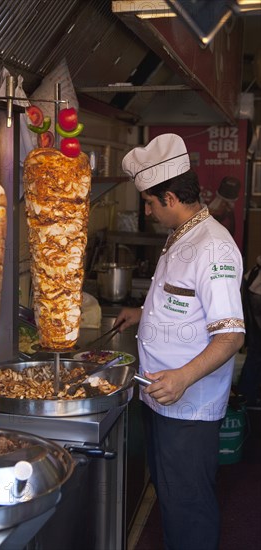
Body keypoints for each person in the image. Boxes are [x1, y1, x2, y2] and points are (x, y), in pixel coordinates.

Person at [115, 134, 245, 550]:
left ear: (170, 197)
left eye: (151, 204)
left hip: (187, 406)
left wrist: (183, 377)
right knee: (171, 496)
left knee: (188, 502)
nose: (149, 212)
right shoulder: (181, 234)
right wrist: (143, 314)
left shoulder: (214, 247)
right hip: (162, 396)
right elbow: (182, 300)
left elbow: (230, 336)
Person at [237, 256, 261, 407]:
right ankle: (247, 396)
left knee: (255, 351)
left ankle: (247, 395)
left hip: (254, 286)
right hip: (257, 291)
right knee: (256, 351)